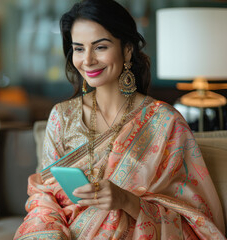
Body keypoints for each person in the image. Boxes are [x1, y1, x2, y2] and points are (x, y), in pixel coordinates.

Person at [14, 0, 225, 239]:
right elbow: (45, 196)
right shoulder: (62, 117)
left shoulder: (165, 122)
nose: (88, 60)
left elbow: (196, 222)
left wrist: (126, 200)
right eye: (79, 48)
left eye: (100, 47)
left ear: (127, 49)